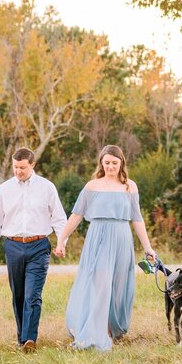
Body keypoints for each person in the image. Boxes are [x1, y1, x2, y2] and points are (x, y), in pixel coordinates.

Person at [54, 144, 156, 351]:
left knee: (119, 286)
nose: (111, 166)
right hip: (98, 238)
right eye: (107, 162)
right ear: (101, 163)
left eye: (115, 163)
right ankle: (96, 332)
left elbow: (137, 219)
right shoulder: (92, 186)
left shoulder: (130, 186)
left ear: (121, 164)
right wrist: (61, 240)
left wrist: (148, 247)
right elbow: (76, 215)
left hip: (122, 239)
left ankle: (112, 329)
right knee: (100, 285)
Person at [0, 147, 67, 353]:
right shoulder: (4, 189)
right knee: (18, 295)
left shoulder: (47, 187)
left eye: (22, 167)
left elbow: (58, 217)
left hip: (39, 245)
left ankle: (30, 339)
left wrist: (61, 242)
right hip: (13, 245)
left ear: (32, 165)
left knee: (33, 295)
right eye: (15, 167)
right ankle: (22, 338)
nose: (18, 171)